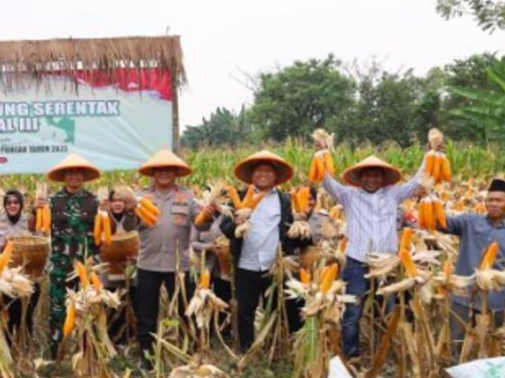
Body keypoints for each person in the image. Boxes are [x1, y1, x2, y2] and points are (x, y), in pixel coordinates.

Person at [321, 155, 425, 357]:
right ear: (359, 178)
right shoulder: (348, 195)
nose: (371, 179)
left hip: (387, 262)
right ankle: (351, 354)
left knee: (388, 309)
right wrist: (321, 153)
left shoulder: (393, 194)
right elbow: (326, 181)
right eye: (367, 175)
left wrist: (430, 155)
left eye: (376, 175)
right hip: (357, 261)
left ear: (383, 178)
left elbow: (417, 182)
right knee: (353, 311)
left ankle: (387, 350)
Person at [216, 150, 309, 352]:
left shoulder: (285, 200)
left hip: (274, 264)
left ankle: (276, 345)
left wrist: (301, 221)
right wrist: (237, 221)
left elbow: (291, 228)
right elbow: (225, 228)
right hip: (245, 263)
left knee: (277, 306)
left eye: (268, 170)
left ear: (275, 176)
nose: (263, 174)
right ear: (251, 175)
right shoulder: (238, 197)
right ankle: (246, 348)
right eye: (259, 170)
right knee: (245, 309)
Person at [133, 149, 211, 365]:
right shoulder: (140, 197)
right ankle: (146, 356)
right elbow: (131, 227)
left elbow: (201, 225)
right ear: (153, 173)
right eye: (160, 169)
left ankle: (191, 352)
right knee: (146, 313)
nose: (165, 173)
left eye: (169, 170)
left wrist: (210, 213)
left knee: (186, 311)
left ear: (176, 173)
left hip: (180, 265)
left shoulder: (187, 197)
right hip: (148, 262)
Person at [441, 178, 505, 351]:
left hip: (494, 300)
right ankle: (455, 373)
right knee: (456, 343)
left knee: (491, 344)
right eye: (490, 199)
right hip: (462, 295)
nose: (493, 204)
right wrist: (427, 200)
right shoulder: (469, 222)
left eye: (499, 200)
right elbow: (441, 223)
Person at [40, 153, 100, 360]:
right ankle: (56, 353)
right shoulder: (52, 201)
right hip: (60, 265)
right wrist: (35, 211)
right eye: (70, 173)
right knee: (57, 310)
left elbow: (102, 234)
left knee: (86, 309)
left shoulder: (94, 202)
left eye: (78, 173)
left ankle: (85, 352)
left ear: (83, 177)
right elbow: (39, 228)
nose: (74, 176)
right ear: (64, 176)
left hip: (85, 267)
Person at [0, 189, 39, 346]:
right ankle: (7, 346)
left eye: (16, 202)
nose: (12, 205)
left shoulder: (29, 221)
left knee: (26, 314)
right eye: (9, 203)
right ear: (5, 205)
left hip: (27, 275)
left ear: (21, 205)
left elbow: (41, 242)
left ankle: (25, 347)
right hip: (4, 277)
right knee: (7, 313)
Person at [102, 185, 139, 345]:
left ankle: (128, 337)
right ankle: (112, 338)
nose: (117, 204)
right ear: (109, 203)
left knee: (128, 303)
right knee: (111, 304)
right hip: (108, 268)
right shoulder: (103, 217)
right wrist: (104, 213)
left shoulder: (132, 217)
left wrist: (131, 212)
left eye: (121, 201)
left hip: (129, 268)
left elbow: (131, 228)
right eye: (114, 201)